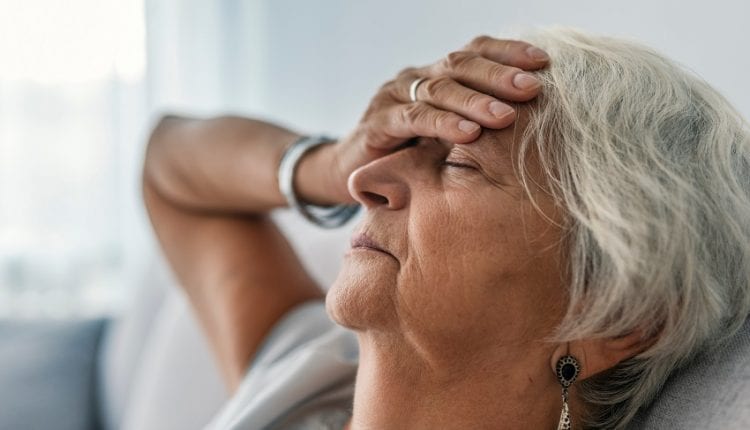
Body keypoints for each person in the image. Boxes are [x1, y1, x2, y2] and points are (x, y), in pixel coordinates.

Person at [142, 28, 750, 429]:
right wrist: (325, 164)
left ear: (622, 315)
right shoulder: (309, 381)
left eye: (459, 162)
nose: (367, 180)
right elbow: (167, 165)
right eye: (406, 143)